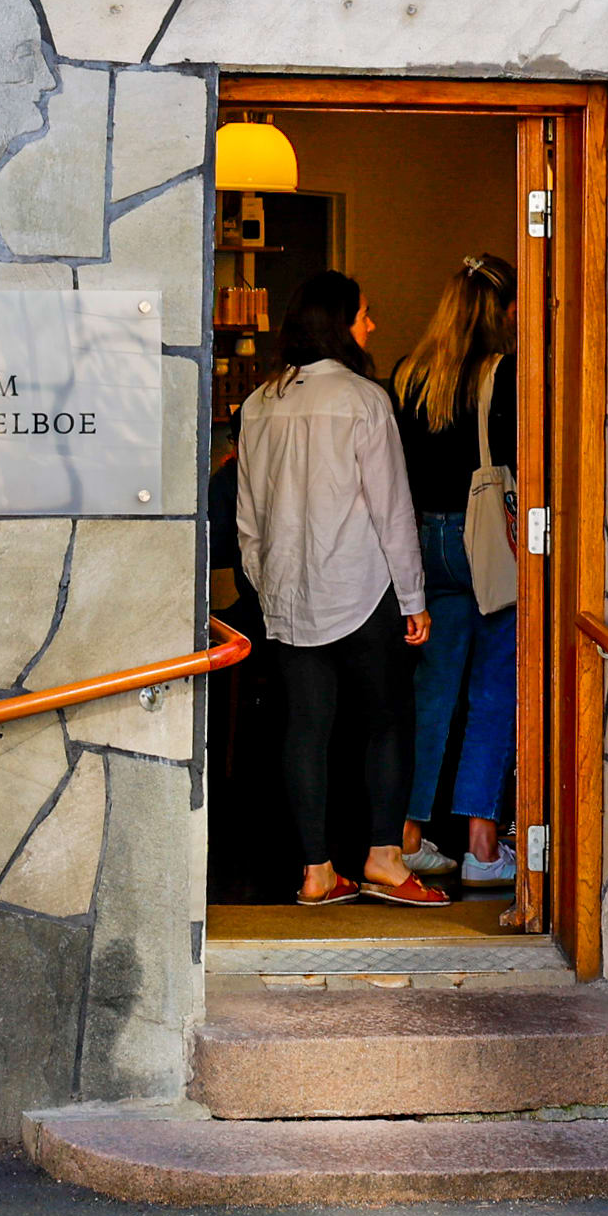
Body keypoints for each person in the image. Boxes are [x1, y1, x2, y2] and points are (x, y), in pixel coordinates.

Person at [233, 269, 449, 910]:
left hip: (289, 594)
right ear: (338, 323)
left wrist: (264, 579)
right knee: (388, 723)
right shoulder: (363, 399)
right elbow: (392, 507)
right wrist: (413, 597)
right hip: (362, 587)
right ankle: (383, 859)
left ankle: (316, 873)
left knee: (305, 728)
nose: (372, 325)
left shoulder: (257, 403)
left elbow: (246, 516)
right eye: (365, 314)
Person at [388, 251, 522, 889]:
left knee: (432, 693)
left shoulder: (408, 374)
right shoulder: (506, 375)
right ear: (504, 311)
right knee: (493, 689)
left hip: (423, 541)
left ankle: (410, 836)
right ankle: (482, 847)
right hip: (486, 543)